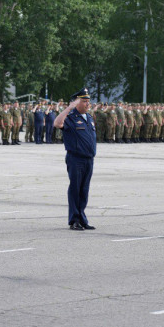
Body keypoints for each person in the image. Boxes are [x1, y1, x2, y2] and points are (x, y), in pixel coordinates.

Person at [53, 88, 97, 231]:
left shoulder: (89, 118)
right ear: (77, 103)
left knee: (84, 190)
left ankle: (82, 219)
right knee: (75, 189)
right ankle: (74, 220)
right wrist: (69, 108)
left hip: (89, 159)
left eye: (88, 101)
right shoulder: (71, 117)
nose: (87, 104)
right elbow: (57, 124)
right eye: (84, 101)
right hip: (75, 159)